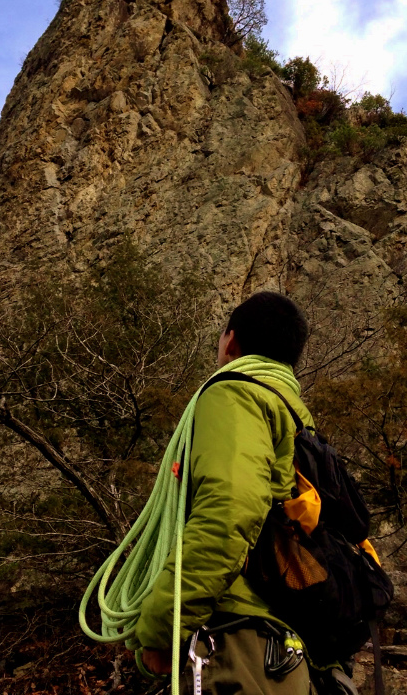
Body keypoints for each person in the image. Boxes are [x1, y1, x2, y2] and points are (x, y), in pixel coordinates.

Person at [135, 291, 313, 694]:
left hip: (237, 638)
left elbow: (231, 510)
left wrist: (164, 622)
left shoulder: (233, 392)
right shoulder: (295, 413)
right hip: (283, 644)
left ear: (230, 341)